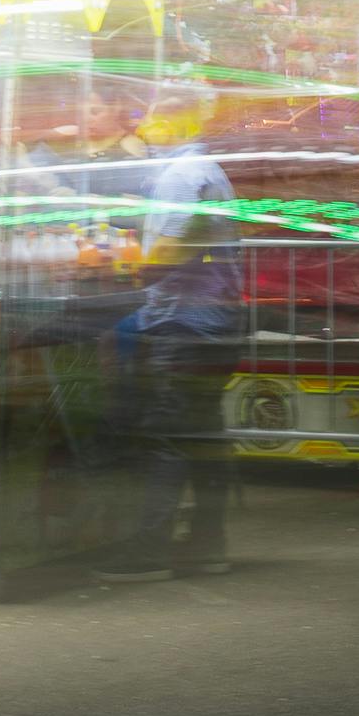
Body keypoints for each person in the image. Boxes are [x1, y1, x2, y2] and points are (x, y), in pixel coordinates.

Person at [100, 78, 242, 578]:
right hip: (214, 320)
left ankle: (148, 551)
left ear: (182, 119)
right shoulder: (199, 169)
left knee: (164, 437)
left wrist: (129, 269)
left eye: (156, 113)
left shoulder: (185, 173)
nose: (145, 123)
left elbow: (169, 251)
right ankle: (208, 544)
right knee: (203, 438)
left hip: (185, 323)